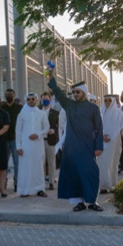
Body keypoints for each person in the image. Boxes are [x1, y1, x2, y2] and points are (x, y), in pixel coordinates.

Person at [47, 75, 104, 212]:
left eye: (78, 92)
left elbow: (99, 128)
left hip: (88, 147)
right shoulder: (70, 105)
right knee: (75, 175)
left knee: (91, 173)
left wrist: (99, 146)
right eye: (74, 92)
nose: (75, 94)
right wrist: (51, 77)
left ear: (84, 92)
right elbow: (59, 93)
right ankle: (79, 203)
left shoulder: (93, 108)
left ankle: (92, 201)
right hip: (72, 148)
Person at [16, 93, 50, 198]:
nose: (31, 101)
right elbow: (18, 131)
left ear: (36, 100)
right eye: (29, 99)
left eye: (33, 99)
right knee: (25, 167)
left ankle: (40, 189)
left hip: (38, 144)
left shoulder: (41, 113)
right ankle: (25, 190)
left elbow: (47, 128)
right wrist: (18, 146)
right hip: (25, 145)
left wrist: (38, 135)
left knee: (39, 167)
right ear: (26, 100)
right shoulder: (22, 114)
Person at [98, 95, 123, 193]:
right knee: (102, 165)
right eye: (105, 100)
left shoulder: (119, 114)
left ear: (112, 101)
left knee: (113, 165)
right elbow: (94, 126)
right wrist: (101, 136)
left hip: (115, 144)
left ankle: (112, 185)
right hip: (101, 142)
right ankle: (103, 186)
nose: (107, 102)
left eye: (109, 100)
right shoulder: (99, 112)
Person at [0, 88, 22, 191]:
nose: (9, 96)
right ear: (5, 96)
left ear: (14, 96)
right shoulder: (1, 108)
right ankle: (3, 183)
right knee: (3, 163)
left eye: (11, 94)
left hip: (16, 140)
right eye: (7, 94)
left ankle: (17, 183)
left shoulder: (20, 108)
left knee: (17, 163)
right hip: (4, 139)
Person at [40, 92, 59, 190]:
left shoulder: (55, 113)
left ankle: (51, 182)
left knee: (51, 162)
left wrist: (54, 131)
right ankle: (42, 182)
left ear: (50, 100)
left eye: (47, 99)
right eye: (43, 99)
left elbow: (58, 126)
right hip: (40, 140)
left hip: (50, 140)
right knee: (41, 162)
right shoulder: (38, 111)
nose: (45, 101)